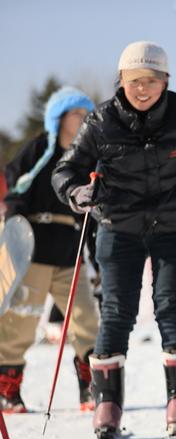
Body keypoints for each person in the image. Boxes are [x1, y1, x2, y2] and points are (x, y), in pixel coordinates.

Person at [52, 41, 176, 439]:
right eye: (134, 81)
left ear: (165, 81)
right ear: (121, 80)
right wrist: (77, 193)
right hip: (118, 225)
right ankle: (107, 404)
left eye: (151, 81)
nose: (142, 89)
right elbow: (66, 170)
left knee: (171, 305)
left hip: (175, 224)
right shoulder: (100, 122)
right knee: (117, 309)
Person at [0, 87, 99, 413]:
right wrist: (12, 228)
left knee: (86, 322)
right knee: (21, 322)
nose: (81, 120)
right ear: (58, 117)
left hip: (71, 251)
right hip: (34, 250)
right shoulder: (38, 149)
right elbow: (16, 189)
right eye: (75, 114)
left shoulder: (88, 154)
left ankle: (91, 389)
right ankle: (8, 391)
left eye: (86, 115)